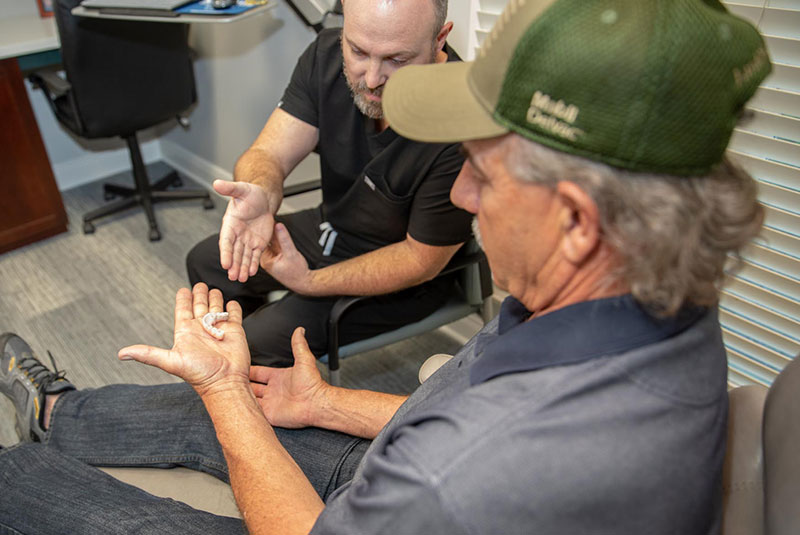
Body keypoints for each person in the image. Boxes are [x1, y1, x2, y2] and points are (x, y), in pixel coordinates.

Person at [0, 0, 770, 533]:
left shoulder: (475, 467)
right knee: (240, 407)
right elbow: (457, 410)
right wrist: (330, 403)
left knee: (26, 483)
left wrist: (225, 385)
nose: (464, 191)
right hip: (412, 466)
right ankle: (58, 411)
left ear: (575, 222)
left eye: (485, 174)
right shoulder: (660, 309)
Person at [186, 0, 473, 366]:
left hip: (407, 281)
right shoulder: (325, 55)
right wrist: (260, 190)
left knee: (252, 346)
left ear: (440, 40)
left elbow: (420, 261)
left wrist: (308, 282)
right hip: (333, 230)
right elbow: (269, 154)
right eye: (358, 51)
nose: (371, 79)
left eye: (397, 60)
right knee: (210, 263)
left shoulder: (461, 120)